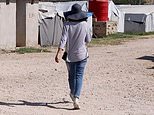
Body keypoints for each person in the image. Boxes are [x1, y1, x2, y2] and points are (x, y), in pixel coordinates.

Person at [55, 3, 92, 110]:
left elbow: (63, 41)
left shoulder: (67, 25)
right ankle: (76, 98)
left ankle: (72, 92)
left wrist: (58, 54)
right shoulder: (85, 25)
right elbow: (88, 40)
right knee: (79, 76)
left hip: (69, 56)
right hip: (82, 54)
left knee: (71, 76)